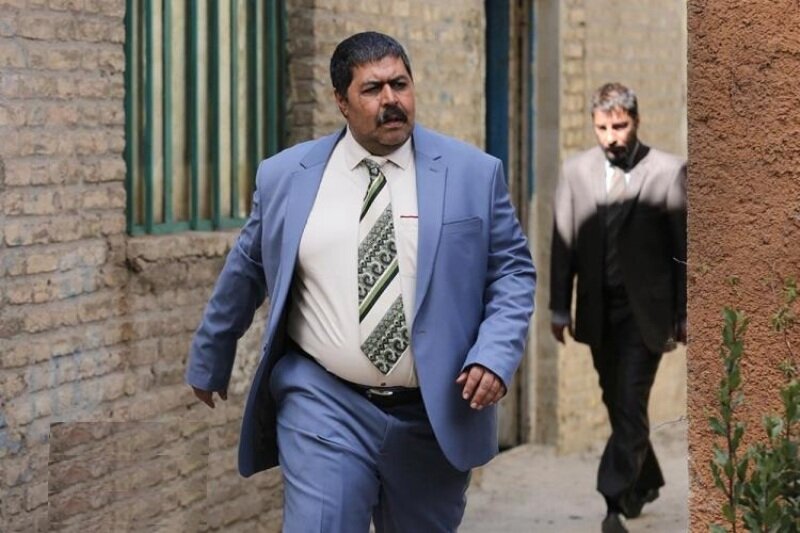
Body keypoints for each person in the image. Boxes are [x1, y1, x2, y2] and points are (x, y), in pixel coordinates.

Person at [186, 31, 536, 532]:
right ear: (341, 101)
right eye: (372, 89)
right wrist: (211, 353)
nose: (391, 100)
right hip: (324, 400)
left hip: (433, 413)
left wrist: (494, 354)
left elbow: (512, 272)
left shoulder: (473, 174)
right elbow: (247, 268)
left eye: (400, 84)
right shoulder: (287, 176)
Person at [549, 82, 687, 533]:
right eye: (603, 128)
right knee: (617, 401)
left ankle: (612, 502)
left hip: (645, 315)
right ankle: (645, 481)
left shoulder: (667, 172)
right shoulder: (576, 173)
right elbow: (563, 244)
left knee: (629, 400)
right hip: (597, 311)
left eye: (620, 126)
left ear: (636, 122)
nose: (611, 136)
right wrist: (558, 307)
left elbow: (681, 249)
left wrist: (684, 313)